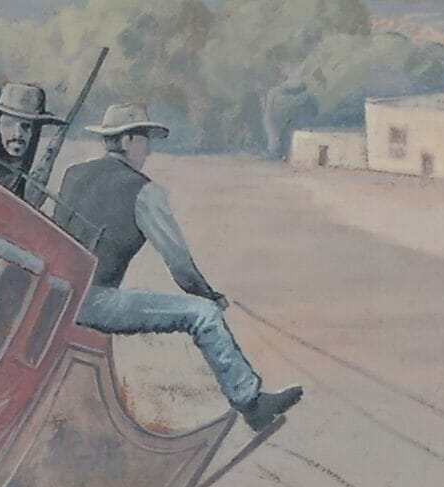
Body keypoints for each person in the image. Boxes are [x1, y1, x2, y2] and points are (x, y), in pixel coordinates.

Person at [56, 103, 302, 430]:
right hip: (94, 301)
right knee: (203, 314)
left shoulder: (72, 174)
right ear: (128, 140)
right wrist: (208, 296)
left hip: (56, 292)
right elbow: (180, 265)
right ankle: (251, 403)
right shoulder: (144, 191)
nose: (148, 150)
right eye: (145, 139)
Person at [0, 82, 65, 201]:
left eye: (26, 126)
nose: (18, 134)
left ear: (34, 133)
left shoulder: (28, 186)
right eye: (9, 123)